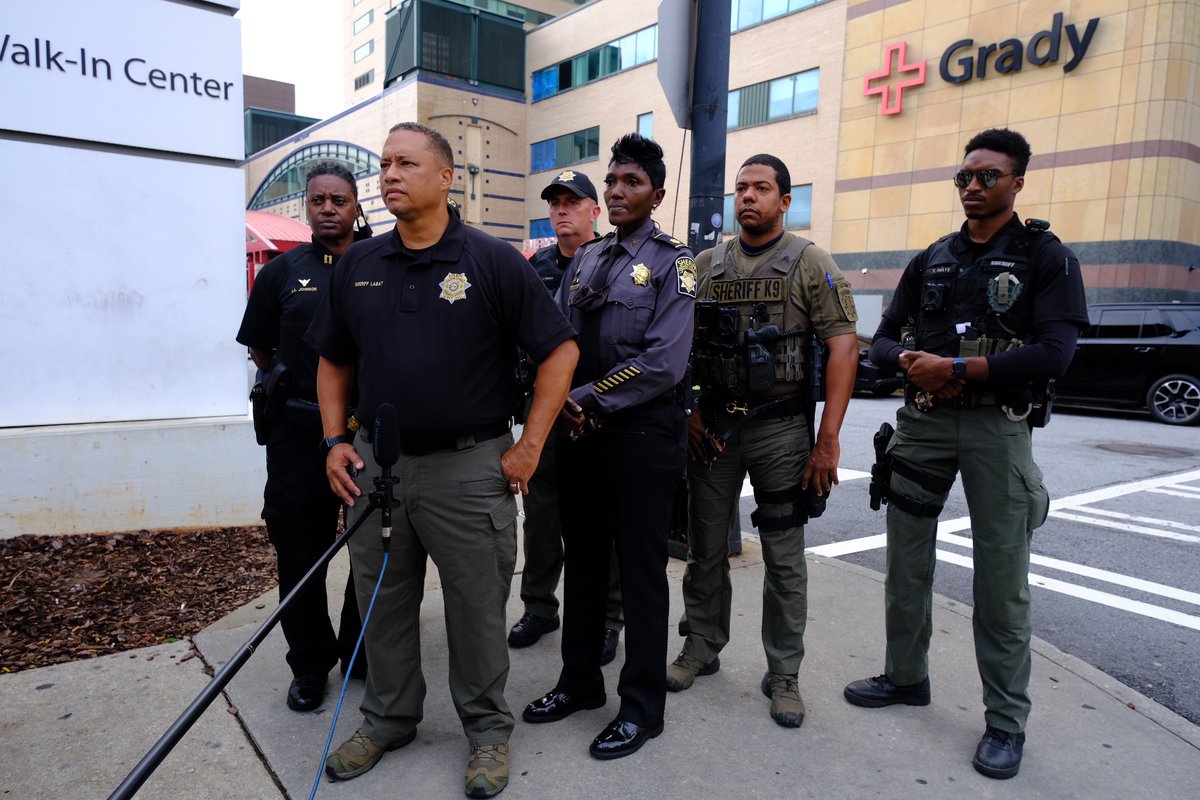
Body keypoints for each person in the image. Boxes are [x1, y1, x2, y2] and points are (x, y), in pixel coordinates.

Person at [305, 122, 578, 799]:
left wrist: (529, 447)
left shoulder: (491, 261)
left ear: (445, 178)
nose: (390, 174)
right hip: (379, 469)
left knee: (477, 609)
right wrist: (336, 440)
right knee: (383, 603)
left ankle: (487, 732)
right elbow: (333, 359)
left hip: (470, 468)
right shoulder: (361, 265)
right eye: (385, 164)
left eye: (406, 163)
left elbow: (560, 352)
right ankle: (389, 719)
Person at [843, 128, 1087, 780]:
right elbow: (883, 342)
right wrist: (917, 366)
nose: (974, 186)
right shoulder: (932, 258)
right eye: (966, 177)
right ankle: (904, 678)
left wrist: (959, 367)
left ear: (1018, 182)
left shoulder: (1046, 257)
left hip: (994, 431)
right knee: (906, 565)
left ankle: (1005, 722)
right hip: (923, 425)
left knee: (1001, 585)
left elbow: (1056, 355)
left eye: (989, 176)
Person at [668, 154, 859, 729]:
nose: (747, 197)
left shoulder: (809, 262)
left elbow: (844, 348)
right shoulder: (705, 264)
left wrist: (827, 442)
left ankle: (784, 672)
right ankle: (700, 646)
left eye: (761, 188)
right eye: (741, 188)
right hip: (715, 428)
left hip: (781, 430)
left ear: (784, 200)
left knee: (783, 555)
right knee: (705, 548)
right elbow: (674, 343)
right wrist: (688, 412)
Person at [522, 133, 693, 761]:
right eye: (613, 182)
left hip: (641, 436)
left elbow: (665, 362)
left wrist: (584, 398)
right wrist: (558, 401)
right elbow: (557, 336)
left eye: (632, 183)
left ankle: (643, 709)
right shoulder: (587, 259)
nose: (619, 192)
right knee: (585, 561)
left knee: (642, 574)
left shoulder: (678, 263)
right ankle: (579, 683)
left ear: (657, 193)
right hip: (580, 433)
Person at [235, 161, 368, 713]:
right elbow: (261, 348)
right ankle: (310, 664)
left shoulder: (382, 263)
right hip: (298, 434)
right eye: (319, 201)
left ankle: (360, 649)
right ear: (307, 208)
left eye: (340, 199)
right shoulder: (281, 274)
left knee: (373, 545)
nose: (329, 208)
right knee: (298, 552)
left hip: (366, 435)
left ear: (357, 205)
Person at [508, 170, 624, 665]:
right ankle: (540, 606)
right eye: (555, 203)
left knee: (604, 523)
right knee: (540, 517)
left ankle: (608, 616)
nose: (562, 211)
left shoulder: (618, 260)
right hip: (547, 415)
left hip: (603, 411)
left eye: (573, 202)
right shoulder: (534, 268)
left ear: (594, 211)